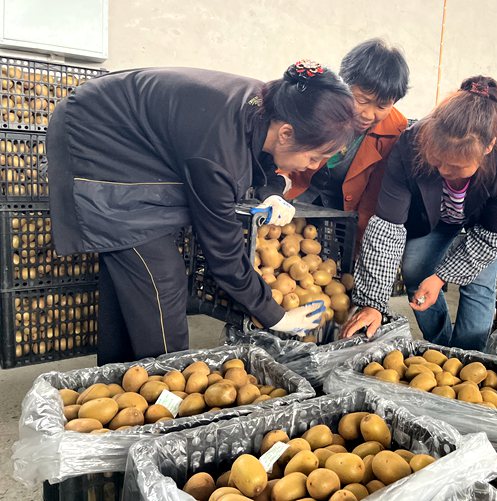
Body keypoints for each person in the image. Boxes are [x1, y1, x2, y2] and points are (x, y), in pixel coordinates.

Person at [47, 61, 357, 365]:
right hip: (94, 140)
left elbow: (258, 148)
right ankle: (168, 387)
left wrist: (272, 191)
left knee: (134, 279)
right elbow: (223, 253)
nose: (314, 167)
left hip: (112, 127)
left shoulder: (264, 104)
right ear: (287, 133)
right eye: (315, 156)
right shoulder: (218, 153)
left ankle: (116, 377)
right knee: (162, 281)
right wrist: (275, 315)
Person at [341, 76, 497, 350]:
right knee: (416, 268)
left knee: (478, 283)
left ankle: (469, 355)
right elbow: (387, 226)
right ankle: (440, 349)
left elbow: (491, 238)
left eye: (455, 168)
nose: (443, 172)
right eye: (437, 162)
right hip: (437, 216)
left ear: (486, 149)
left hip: (487, 223)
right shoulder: (412, 143)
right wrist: (373, 302)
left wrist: (442, 277)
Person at [279, 39, 409, 243]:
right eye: (362, 100)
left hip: (342, 210)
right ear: (343, 83)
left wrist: (358, 245)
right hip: (296, 195)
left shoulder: (395, 130)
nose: (368, 114)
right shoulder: (317, 104)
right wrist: (276, 189)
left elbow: (373, 196)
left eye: (382, 106)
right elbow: (285, 153)